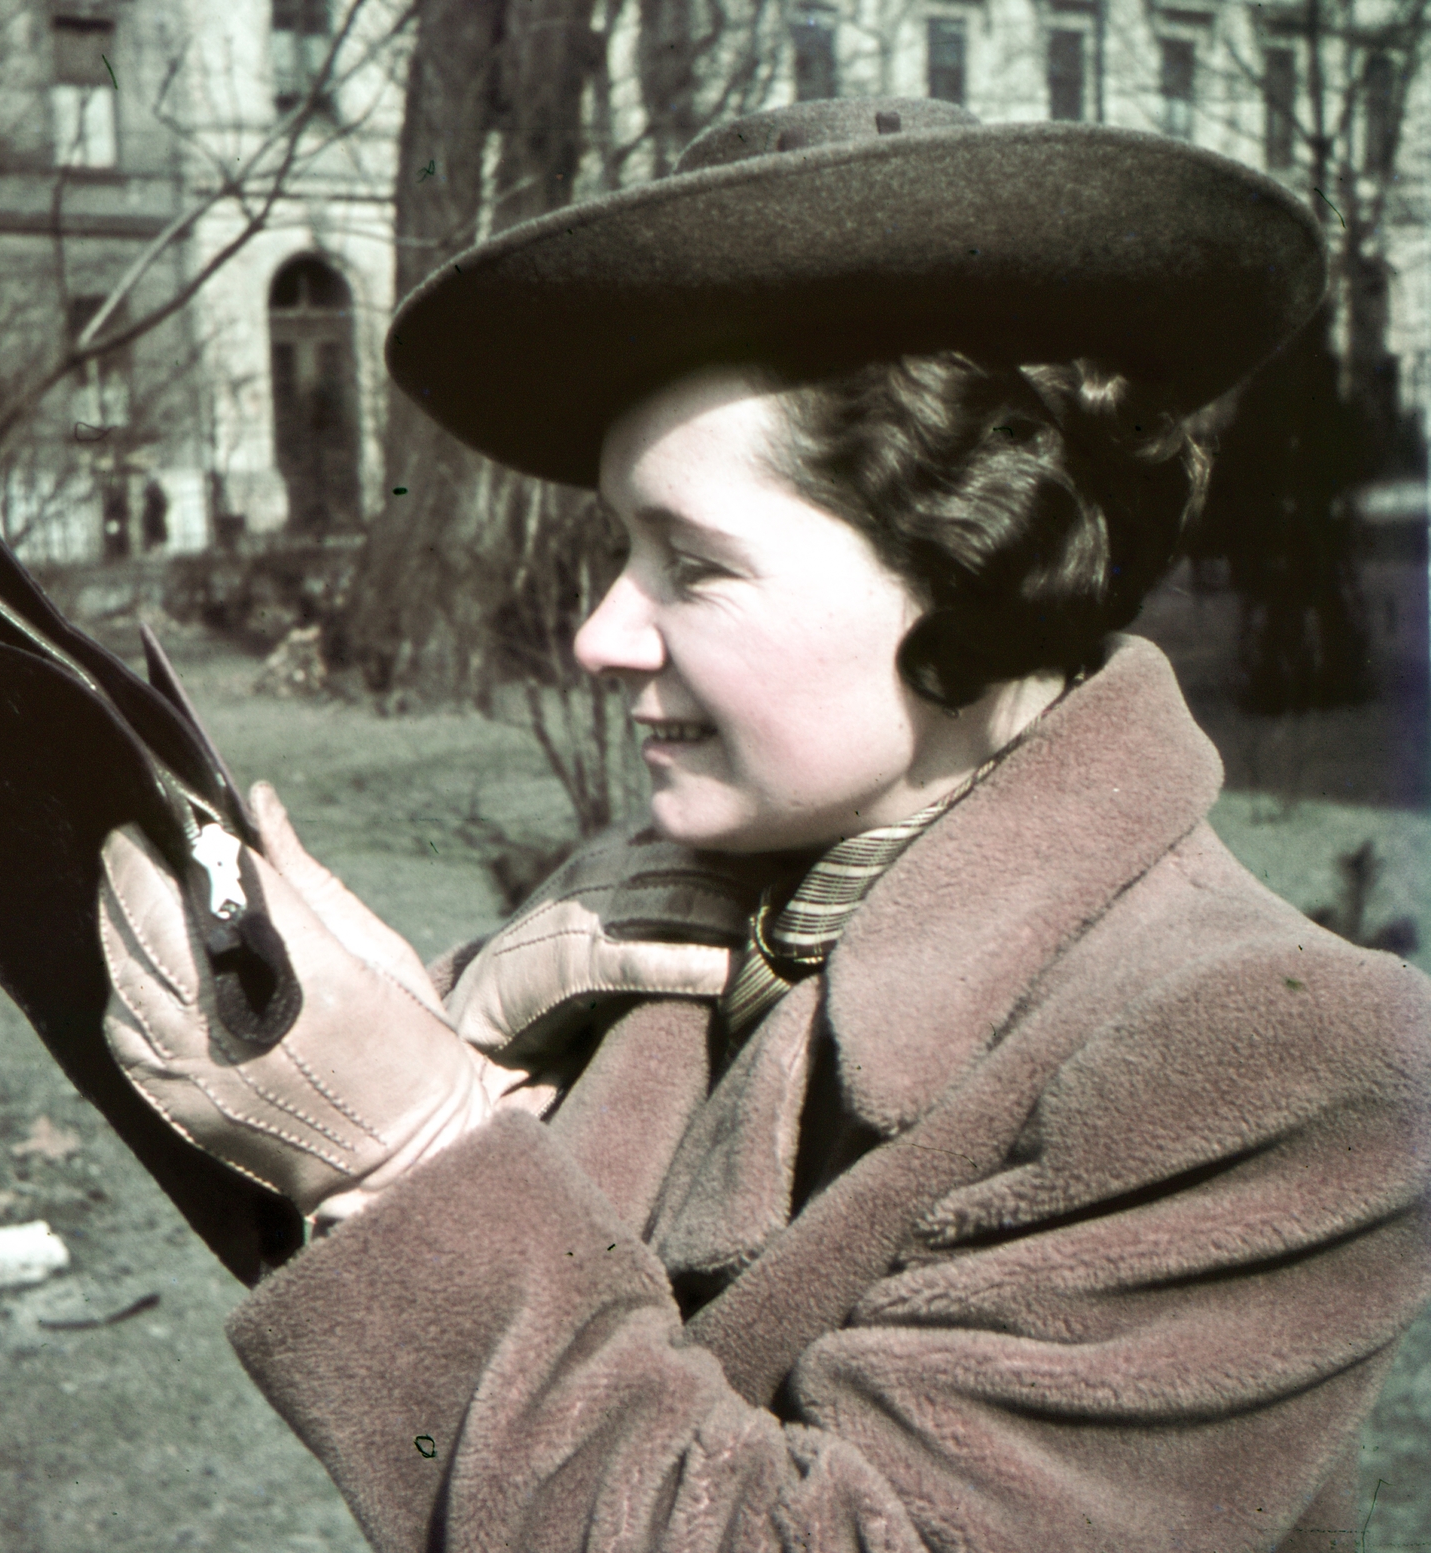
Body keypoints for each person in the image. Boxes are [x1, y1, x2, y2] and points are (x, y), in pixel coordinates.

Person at [94, 100, 1431, 1550]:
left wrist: (406, 1157)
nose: (603, 632)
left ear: (978, 563)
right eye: (622, 546)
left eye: (694, 563)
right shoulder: (673, 921)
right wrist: (450, 1052)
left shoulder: (1280, 1054)